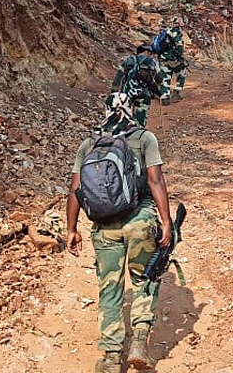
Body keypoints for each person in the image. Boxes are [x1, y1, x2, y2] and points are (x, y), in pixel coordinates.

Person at [67, 94, 174, 373]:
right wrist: (165, 220)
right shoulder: (144, 138)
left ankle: (112, 358)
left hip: (104, 228)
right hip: (139, 222)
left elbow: (76, 189)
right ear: (132, 111)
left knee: (110, 290)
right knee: (144, 279)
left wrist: (71, 229)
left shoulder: (90, 144)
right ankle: (139, 342)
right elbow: (155, 180)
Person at [111, 50, 163, 126]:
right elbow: (160, 79)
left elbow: (117, 79)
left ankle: (123, 134)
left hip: (127, 94)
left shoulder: (128, 60)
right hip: (144, 95)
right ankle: (138, 133)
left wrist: (114, 93)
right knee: (140, 121)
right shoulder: (152, 62)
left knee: (123, 118)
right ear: (147, 52)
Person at [151, 25, 187, 106]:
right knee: (182, 74)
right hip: (173, 58)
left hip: (163, 59)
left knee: (165, 77)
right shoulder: (175, 32)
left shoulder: (164, 33)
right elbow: (179, 45)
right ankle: (176, 94)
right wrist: (180, 55)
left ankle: (164, 97)